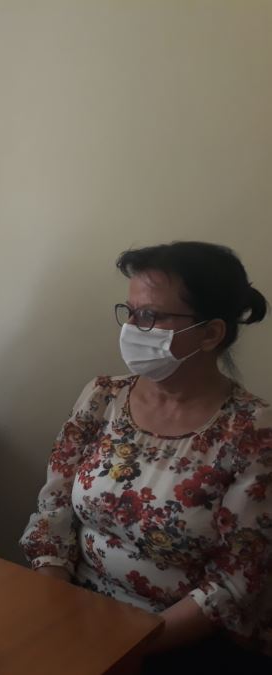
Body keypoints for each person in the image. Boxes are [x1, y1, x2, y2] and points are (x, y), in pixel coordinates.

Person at [20, 242, 272, 669]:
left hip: (174, 639)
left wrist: (122, 648)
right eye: (130, 312)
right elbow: (53, 512)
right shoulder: (103, 396)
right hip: (73, 610)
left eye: (151, 316)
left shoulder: (252, 432)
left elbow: (233, 584)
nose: (133, 328)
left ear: (210, 333)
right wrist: (56, 608)